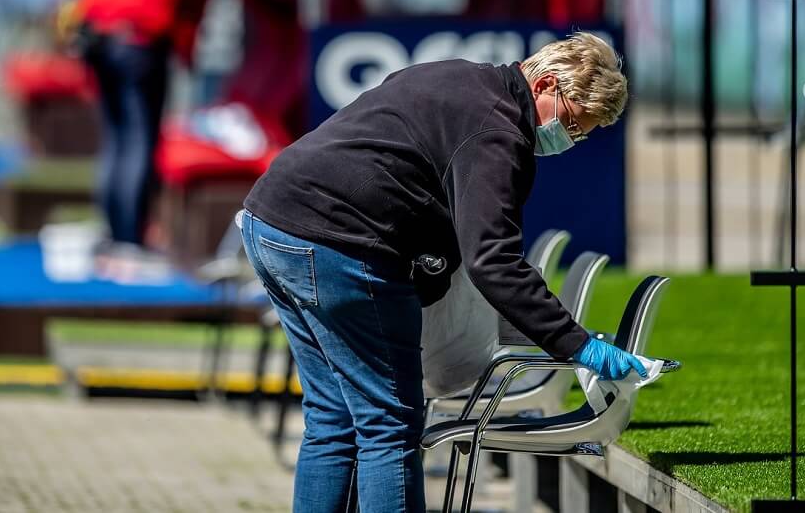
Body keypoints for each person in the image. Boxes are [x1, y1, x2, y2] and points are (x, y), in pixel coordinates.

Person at [238, 33, 645, 512]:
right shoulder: (499, 133)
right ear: (547, 84)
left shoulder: (460, 76)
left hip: (270, 222)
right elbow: (493, 260)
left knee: (333, 418)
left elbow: (422, 197)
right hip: (337, 242)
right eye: (574, 124)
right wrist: (578, 346)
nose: (570, 140)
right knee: (389, 424)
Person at [74, 0, 293, 245]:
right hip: (138, 43)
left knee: (116, 138)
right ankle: (130, 240)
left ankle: (114, 231)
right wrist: (294, 12)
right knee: (139, 139)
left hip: (97, 38)